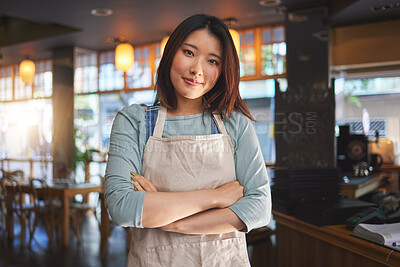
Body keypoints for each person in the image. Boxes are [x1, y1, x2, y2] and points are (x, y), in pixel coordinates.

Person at [105, 14, 271, 266]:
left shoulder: (235, 123)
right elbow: (121, 207)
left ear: (222, 70)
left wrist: (171, 221)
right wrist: (216, 198)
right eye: (189, 52)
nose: (197, 70)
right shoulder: (133, 121)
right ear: (171, 53)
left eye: (212, 60)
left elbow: (259, 209)